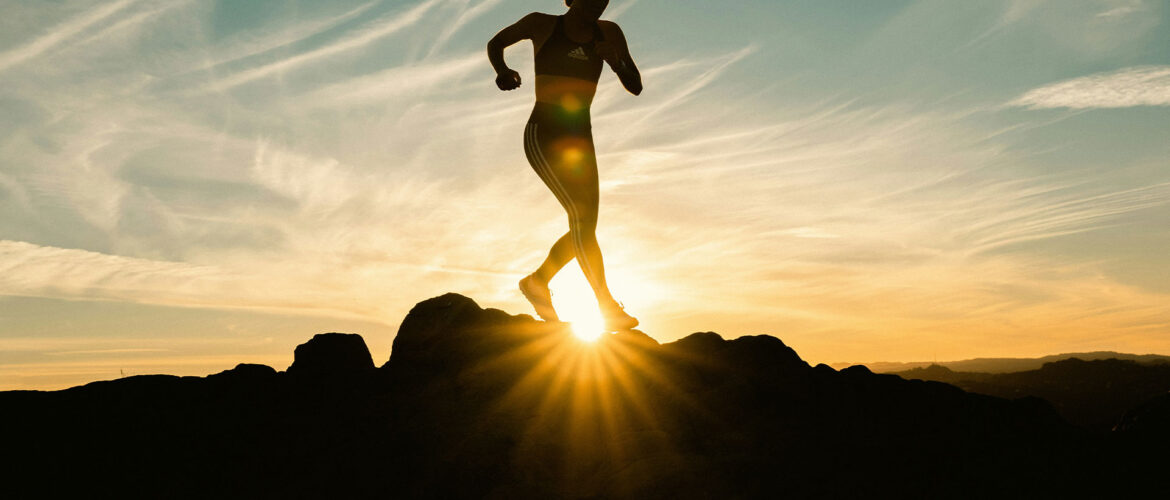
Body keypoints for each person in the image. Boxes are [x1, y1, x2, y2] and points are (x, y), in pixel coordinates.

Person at [486, 0, 642, 331]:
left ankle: (537, 282)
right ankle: (606, 305)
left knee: (584, 225)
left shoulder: (610, 33)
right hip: (544, 132)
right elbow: (496, 42)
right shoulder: (542, 24)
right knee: (582, 219)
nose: (598, 4)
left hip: (580, 138)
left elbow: (635, 85)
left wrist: (615, 62)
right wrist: (502, 70)